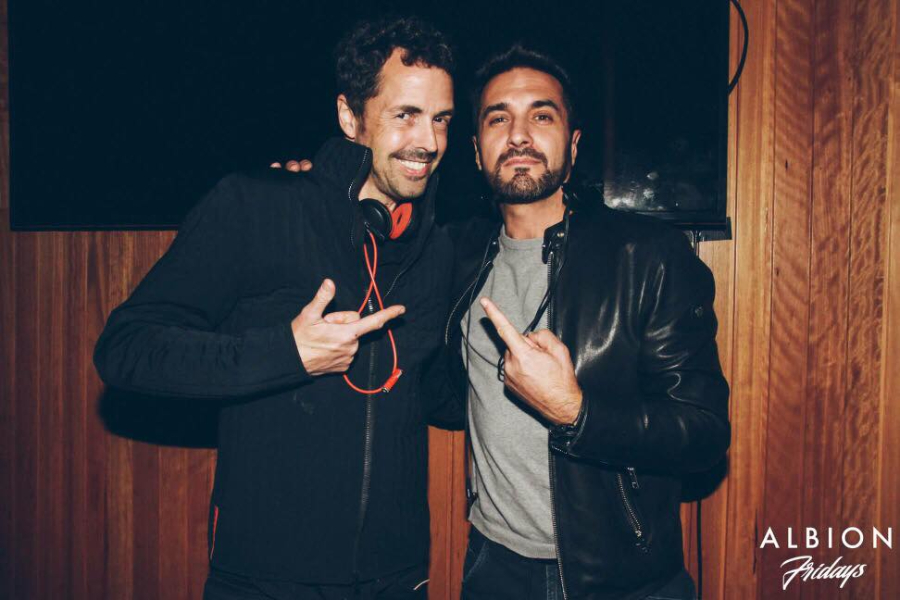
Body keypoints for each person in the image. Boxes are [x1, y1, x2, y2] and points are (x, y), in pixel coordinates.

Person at [93, 16, 461, 600]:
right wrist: (287, 353)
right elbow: (126, 349)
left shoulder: (436, 250)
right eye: (405, 115)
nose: (429, 141)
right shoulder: (256, 207)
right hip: (265, 579)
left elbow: (434, 390)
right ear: (350, 117)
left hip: (396, 578)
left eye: (440, 118)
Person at [431, 45, 731, 600]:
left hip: (623, 578)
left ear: (572, 144)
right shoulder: (456, 255)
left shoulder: (648, 257)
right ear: (475, 150)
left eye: (541, 116)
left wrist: (576, 412)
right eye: (498, 119)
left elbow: (704, 435)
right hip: (494, 567)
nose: (519, 135)